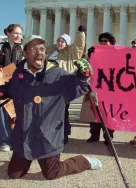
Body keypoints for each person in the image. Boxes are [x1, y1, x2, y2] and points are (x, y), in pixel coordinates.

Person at [0, 35, 102, 180]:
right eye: (34, 48)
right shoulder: (18, 75)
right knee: (14, 174)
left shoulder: (57, 74)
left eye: (42, 49)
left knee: (52, 173)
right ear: (25, 53)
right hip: (24, 137)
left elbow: (77, 86)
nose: (39, 52)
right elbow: (10, 89)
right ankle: (21, 157)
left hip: (47, 137)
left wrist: (83, 76)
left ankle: (84, 161)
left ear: (46, 54)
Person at [47, 25, 87, 144]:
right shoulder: (51, 52)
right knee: (51, 112)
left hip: (63, 85)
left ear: (67, 44)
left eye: (62, 41)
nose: (60, 43)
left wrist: (81, 33)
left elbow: (79, 46)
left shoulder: (71, 53)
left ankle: (64, 134)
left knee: (62, 111)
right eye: (58, 41)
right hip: (49, 86)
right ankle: (52, 133)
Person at [82, 32, 116, 145]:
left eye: (105, 40)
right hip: (96, 88)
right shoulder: (94, 54)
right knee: (95, 112)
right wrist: (89, 55)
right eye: (101, 40)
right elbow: (86, 67)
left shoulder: (117, 55)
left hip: (111, 89)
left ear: (111, 43)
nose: (103, 42)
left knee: (109, 114)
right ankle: (94, 134)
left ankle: (108, 135)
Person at [0, 24, 23, 152]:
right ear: (8, 33)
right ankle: (5, 141)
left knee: (14, 113)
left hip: (15, 84)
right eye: (15, 33)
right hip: (2, 84)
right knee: (2, 113)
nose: (18, 36)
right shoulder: (2, 47)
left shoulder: (22, 49)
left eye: (19, 34)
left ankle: (14, 140)